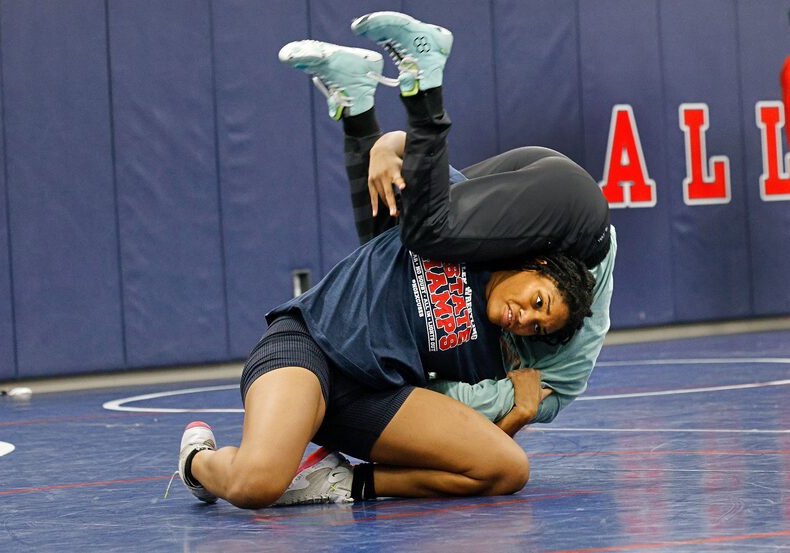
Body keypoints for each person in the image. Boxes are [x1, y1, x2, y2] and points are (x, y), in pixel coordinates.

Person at [175, 11, 609, 509]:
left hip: (375, 397)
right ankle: (197, 461)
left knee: (511, 470)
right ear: (535, 265)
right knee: (258, 485)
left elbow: (475, 454)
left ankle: (345, 483)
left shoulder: (489, 356)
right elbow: (422, 169)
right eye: (537, 301)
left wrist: (519, 413)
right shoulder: (474, 235)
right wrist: (388, 140)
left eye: (535, 326)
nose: (526, 317)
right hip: (311, 349)